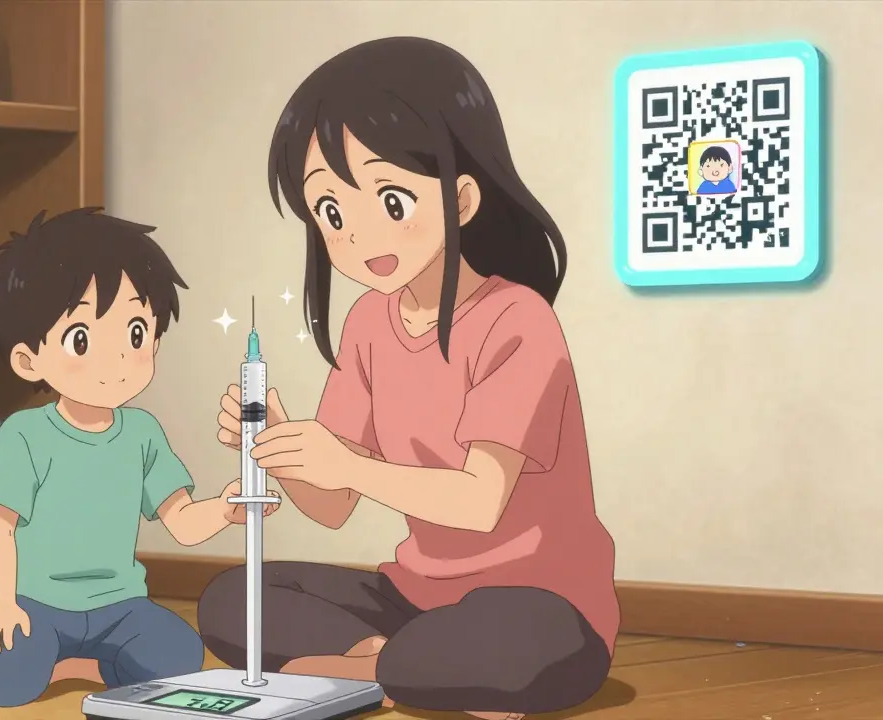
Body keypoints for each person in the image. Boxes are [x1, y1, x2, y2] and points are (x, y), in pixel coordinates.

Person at [196, 38, 617, 720]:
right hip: (415, 598)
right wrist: (283, 448)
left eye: (390, 199)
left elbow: (481, 502)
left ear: (464, 197)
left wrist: (348, 466)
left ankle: (376, 668)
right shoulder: (368, 323)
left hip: (542, 603)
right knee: (230, 600)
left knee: (494, 644)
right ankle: (382, 663)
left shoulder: (518, 319)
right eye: (331, 213)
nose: (357, 234)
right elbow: (333, 505)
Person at [0, 208, 280, 707]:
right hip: (37, 606)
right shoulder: (26, 435)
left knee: (178, 657)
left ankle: (75, 663)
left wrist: (227, 509)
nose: (117, 359)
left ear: (155, 337)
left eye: (136, 333)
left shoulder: (142, 433)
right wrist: (2, 605)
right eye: (82, 339)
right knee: (9, 678)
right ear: (29, 359)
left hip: (120, 607)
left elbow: (180, 520)